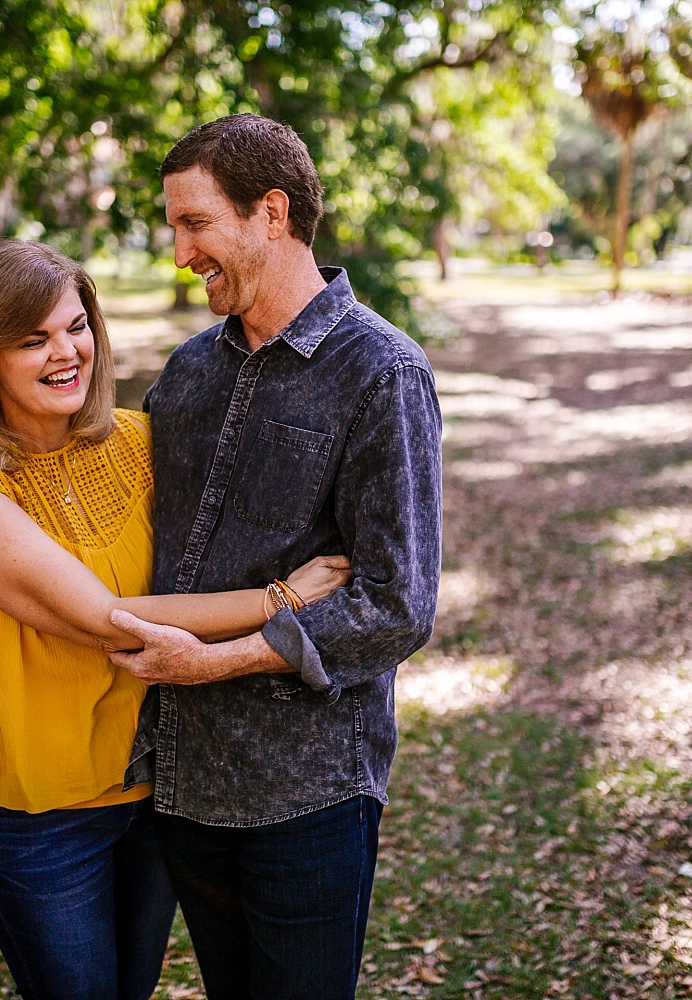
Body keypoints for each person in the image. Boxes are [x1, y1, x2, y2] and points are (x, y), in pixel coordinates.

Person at [0, 238, 350, 1000]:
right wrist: (279, 600)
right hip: (35, 809)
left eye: (75, 326)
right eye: (32, 339)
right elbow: (106, 616)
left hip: (150, 791)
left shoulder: (140, 441)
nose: (66, 353)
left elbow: (219, 545)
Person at [106, 115, 442, 999]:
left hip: (307, 792)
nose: (180, 252)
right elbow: (121, 538)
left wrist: (214, 661)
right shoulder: (184, 374)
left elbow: (395, 603)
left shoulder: (382, 373)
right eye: (174, 226)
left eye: (194, 224)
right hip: (180, 781)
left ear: (272, 212)